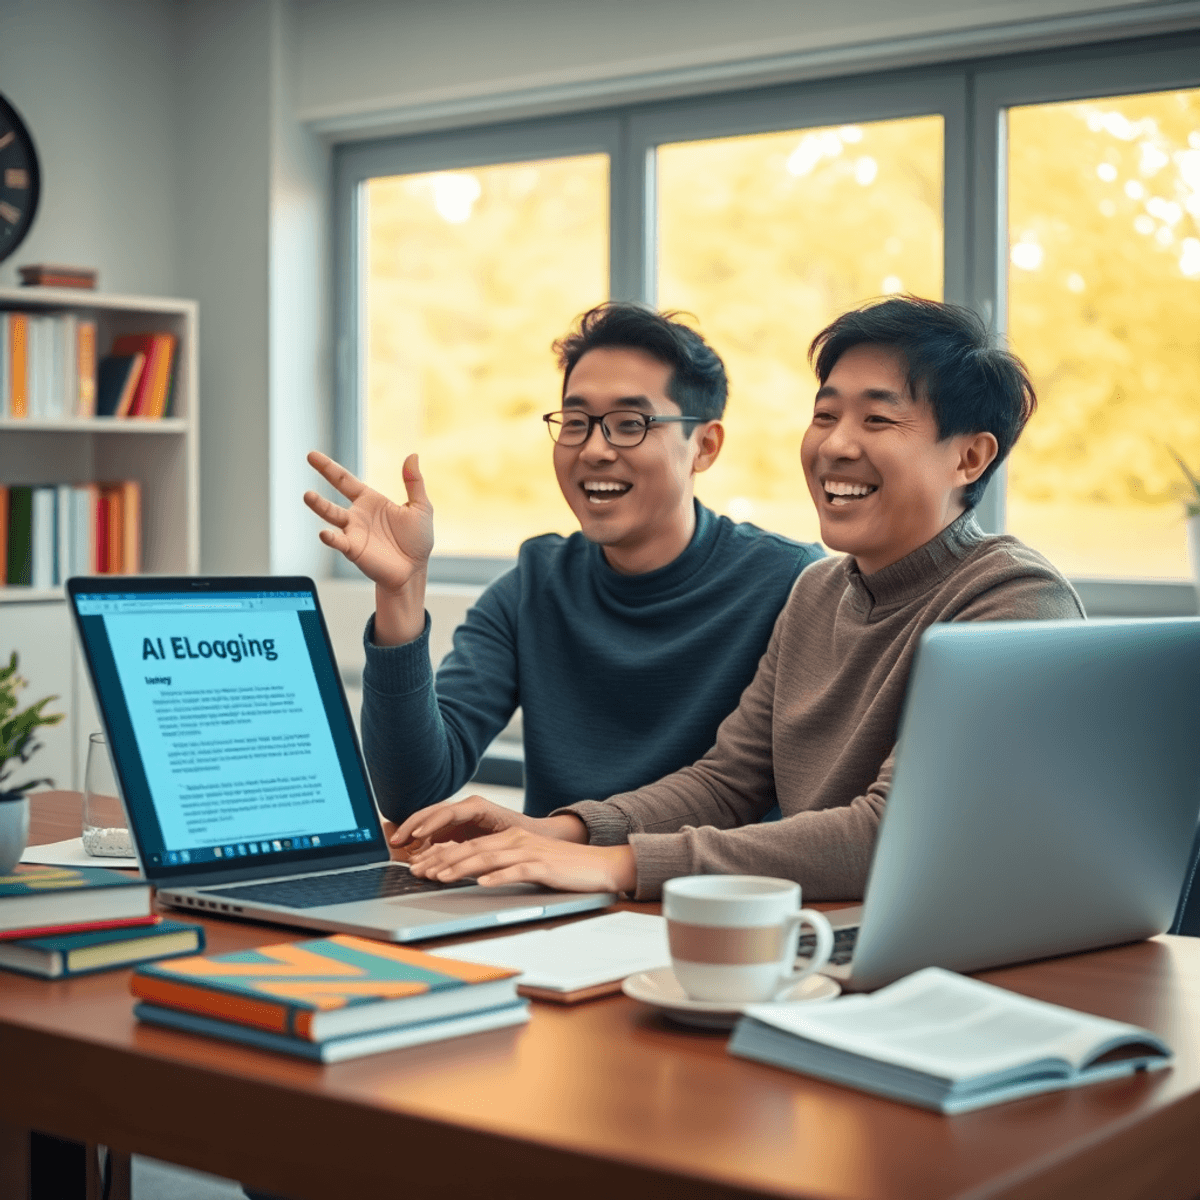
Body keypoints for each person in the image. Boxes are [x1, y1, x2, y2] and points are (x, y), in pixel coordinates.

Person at [390, 295, 1086, 901]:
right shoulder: (819, 592)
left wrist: (614, 863)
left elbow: (894, 832)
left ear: (969, 458)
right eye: (825, 415)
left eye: (877, 422)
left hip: (975, 964)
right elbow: (727, 784)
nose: (835, 445)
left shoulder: (1012, 599)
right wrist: (553, 831)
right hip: (836, 933)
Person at [305, 302, 822, 821]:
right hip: (550, 897)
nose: (594, 448)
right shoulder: (532, 586)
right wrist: (401, 593)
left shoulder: (789, 584)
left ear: (704, 447)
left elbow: (803, 807)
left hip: (708, 898)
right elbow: (411, 791)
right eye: (575, 421)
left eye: (629, 423)